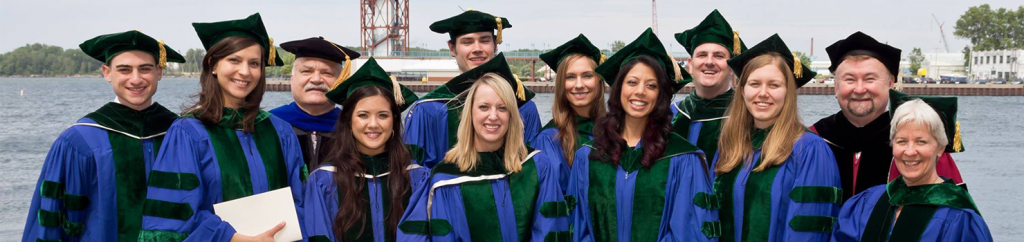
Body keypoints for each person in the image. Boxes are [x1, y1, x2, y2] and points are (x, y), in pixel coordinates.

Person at [137, 13, 307, 241]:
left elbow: (301, 202)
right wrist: (233, 237)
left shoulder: (279, 130)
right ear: (213, 65)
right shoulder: (188, 132)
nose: (245, 72)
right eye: (234, 60)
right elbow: (177, 213)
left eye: (254, 63)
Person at [22, 30, 185, 242]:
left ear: (159, 72)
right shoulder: (78, 141)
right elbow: (53, 219)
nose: (136, 79)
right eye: (124, 70)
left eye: (145, 69)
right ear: (107, 73)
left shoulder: (181, 135)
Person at [568, 28, 715, 242]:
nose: (640, 91)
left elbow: (691, 232)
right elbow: (577, 226)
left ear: (661, 96)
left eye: (651, 85)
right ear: (619, 88)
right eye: (632, 82)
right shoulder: (587, 156)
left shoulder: (683, 158)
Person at [397, 66, 568, 242]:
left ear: (512, 115)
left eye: (502, 108)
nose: (493, 116)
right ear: (470, 113)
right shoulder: (445, 178)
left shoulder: (536, 167)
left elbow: (551, 231)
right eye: (484, 107)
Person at [714, 34, 842, 242]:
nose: (763, 93)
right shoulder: (731, 146)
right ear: (743, 91)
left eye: (774, 85)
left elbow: (809, 230)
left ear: (788, 92)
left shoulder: (809, 150)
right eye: (755, 84)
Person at [811, 32, 964, 201]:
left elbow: (952, 213)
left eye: (870, 79)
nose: (860, 89)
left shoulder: (921, 144)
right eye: (850, 79)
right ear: (836, 86)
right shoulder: (812, 139)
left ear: (891, 83)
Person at [830, 96, 991, 242]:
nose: (909, 151)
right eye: (901, 141)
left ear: (940, 148)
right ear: (892, 145)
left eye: (921, 142)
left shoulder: (958, 216)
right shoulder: (867, 202)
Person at [303, 58, 429, 242]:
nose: (373, 124)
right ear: (348, 121)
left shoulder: (417, 178)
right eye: (363, 115)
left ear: (394, 121)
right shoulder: (325, 180)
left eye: (383, 115)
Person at [405, 9, 541, 168]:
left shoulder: (523, 107)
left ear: (495, 45)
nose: (477, 48)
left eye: (484, 40)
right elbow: (413, 175)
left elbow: (535, 169)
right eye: (467, 42)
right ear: (452, 48)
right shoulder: (427, 111)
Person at [271, 36, 361, 171]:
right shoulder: (268, 125)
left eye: (327, 73)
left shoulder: (355, 128)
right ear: (292, 79)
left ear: (341, 82)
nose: (317, 79)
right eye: (307, 71)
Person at [671, 9, 748, 164]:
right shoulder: (670, 115)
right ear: (691, 65)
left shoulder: (748, 115)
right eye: (702, 55)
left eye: (719, 56)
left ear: (731, 67)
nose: (709, 62)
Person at [532, 34, 607, 191]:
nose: (579, 85)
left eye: (587, 75)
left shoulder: (613, 129)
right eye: (570, 77)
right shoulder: (550, 139)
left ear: (599, 80)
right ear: (561, 84)